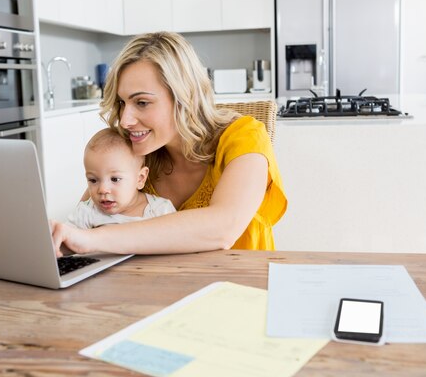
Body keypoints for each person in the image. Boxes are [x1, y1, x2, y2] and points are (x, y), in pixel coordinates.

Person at [51, 32, 287, 256]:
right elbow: (83, 221)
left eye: (142, 102)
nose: (125, 120)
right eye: (122, 103)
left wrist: (94, 239)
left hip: (241, 288)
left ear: (184, 98)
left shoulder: (245, 137)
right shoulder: (136, 153)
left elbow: (223, 227)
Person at [66, 128, 175, 234]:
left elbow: (176, 243)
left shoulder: (160, 210)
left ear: (140, 179)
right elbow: (62, 241)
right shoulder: (86, 212)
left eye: (115, 179)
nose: (103, 189)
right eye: (93, 180)